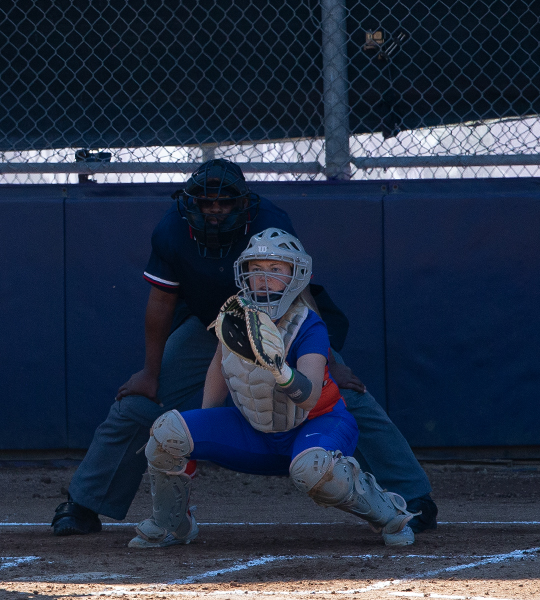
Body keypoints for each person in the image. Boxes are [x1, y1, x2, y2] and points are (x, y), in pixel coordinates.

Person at [52, 159, 437, 536]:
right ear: (191, 203)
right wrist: (150, 373)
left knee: (342, 396)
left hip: (283, 320)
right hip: (211, 325)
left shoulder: (271, 220)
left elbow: (300, 290)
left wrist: (331, 361)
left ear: (243, 203)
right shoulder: (172, 229)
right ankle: (85, 504)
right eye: (206, 202)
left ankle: (413, 498)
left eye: (224, 202)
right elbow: (161, 302)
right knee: (141, 403)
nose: (215, 210)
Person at [130, 228, 416, 548]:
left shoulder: (308, 324)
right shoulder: (234, 312)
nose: (264, 278)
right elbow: (219, 365)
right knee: (168, 432)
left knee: (313, 469)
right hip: (256, 430)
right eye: (256, 269)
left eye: (276, 270)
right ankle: (171, 523)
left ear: (296, 275)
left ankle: (388, 512)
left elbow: (307, 396)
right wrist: (203, 427)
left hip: (315, 425)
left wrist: (279, 369)